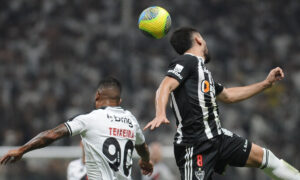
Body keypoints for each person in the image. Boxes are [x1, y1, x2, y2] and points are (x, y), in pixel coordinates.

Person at [144, 27, 300, 180]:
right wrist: (160, 113)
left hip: (218, 137)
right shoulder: (187, 61)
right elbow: (165, 86)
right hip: (195, 143)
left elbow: (228, 95)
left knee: (267, 159)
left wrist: (265, 84)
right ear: (198, 39)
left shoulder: (202, 73)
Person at [1, 77, 153, 180]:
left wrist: (22, 149)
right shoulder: (132, 121)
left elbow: (52, 135)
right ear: (119, 101)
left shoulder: (89, 119)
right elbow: (143, 147)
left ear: (97, 96)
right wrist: (145, 161)